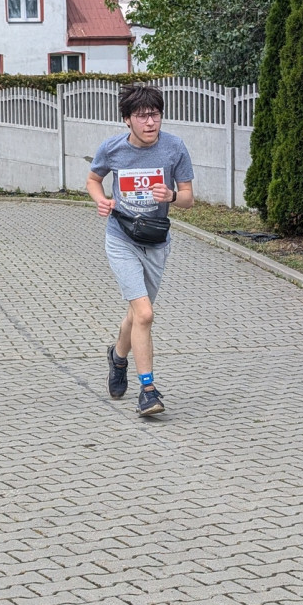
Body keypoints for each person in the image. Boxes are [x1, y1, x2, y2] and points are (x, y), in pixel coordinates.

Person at [87, 85, 194, 417]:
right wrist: (101, 200)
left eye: (155, 114)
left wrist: (172, 197)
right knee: (145, 314)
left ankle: (118, 357)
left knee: (137, 314)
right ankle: (148, 390)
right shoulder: (113, 149)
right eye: (142, 116)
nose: (150, 123)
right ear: (127, 120)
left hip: (156, 241)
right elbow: (93, 179)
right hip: (121, 238)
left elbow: (189, 198)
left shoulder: (175, 148)